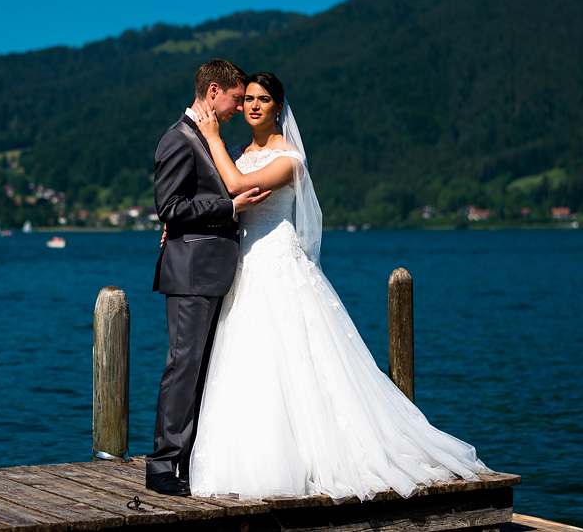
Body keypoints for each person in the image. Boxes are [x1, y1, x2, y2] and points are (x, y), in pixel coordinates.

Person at [187, 72, 489, 501]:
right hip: (243, 267)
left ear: (279, 108)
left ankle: (315, 455)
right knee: (250, 360)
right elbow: (215, 196)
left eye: (264, 99)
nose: (254, 105)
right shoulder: (236, 151)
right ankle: (253, 453)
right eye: (249, 98)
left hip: (278, 262)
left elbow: (236, 185)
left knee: (297, 359)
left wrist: (211, 135)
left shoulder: (290, 160)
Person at [147, 59, 272, 496]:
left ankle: (187, 459)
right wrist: (230, 209)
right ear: (214, 91)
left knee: (202, 370)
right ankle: (162, 466)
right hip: (190, 272)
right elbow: (171, 208)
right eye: (238, 99)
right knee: (183, 368)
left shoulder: (210, 140)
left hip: (212, 271)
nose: (240, 108)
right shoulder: (178, 139)